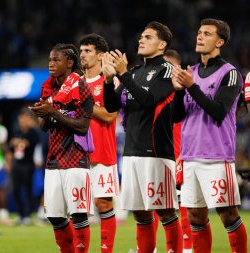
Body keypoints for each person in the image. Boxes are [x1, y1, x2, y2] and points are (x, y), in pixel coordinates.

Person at [103, 21, 183, 253]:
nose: (141, 40)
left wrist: (123, 74)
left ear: (162, 44)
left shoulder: (166, 70)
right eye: (141, 36)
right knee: (140, 213)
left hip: (155, 152)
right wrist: (109, 81)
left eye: (148, 37)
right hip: (131, 152)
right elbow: (111, 106)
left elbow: (149, 100)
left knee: (165, 211)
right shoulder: (136, 73)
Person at [172, 18, 248, 253]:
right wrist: (177, 92)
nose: (200, 36)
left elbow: (219, 111)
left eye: (207, 33)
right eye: (199, 32)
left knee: (227, 214)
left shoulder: (230, 73)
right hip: (189, 154)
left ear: (220, 41)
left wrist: (192, 87)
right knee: (195, 216)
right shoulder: (191, 72)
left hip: (216, 156)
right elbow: (177, 116)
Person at [30, 43, 94, 252]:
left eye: (56, 60)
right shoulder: (48, 88)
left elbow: (83, 127)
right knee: (55, 216)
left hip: (76, 158)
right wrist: (42, 113)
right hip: (54, 159)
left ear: (69, 62)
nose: (51, 64)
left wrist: (54, 112)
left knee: (78, 214)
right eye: (50, 60)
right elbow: (43, 127)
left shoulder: (81, 87)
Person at [79, 33, 119, 253]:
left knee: (103, 204)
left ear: (101, 55)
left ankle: (106, 250)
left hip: (102, 152)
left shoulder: (109, 80)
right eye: (81, 50)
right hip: (76, 155)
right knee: (78, 208)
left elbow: (110, 115)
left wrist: (83, 103)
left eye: (88, 51)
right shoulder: (75, 82)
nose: (82, 55)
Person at [164, 49, 193, 253]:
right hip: (159, 154)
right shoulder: (156, 92)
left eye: (169, 67)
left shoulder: (185, 91)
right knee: (158, 205)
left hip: (181, 153)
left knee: (184, 202)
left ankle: (188, 247)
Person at [9, 108, 40, 225]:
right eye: (21, 118)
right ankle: (21, 214)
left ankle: (27, 215)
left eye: (25, 118)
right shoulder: (17, 131)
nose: (22, 120)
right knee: (15, 190)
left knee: (27, 190)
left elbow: (29, 143)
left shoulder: (33, 132)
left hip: (28, 165)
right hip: (17, 164)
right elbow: (11, 147)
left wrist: (18, 142)